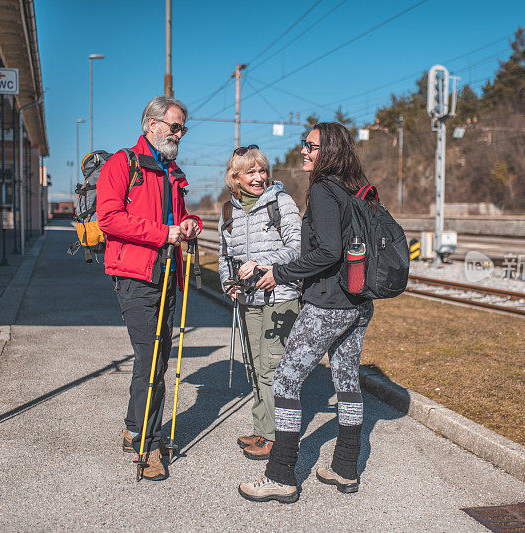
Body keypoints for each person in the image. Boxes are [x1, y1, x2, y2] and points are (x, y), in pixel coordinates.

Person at [238, 122, 375, 503]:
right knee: (347, 381)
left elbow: (328, 251)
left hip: (329, 302)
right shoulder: (354, 187)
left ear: (328, 150)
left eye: (310, 145)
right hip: (358, 302)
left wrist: (278, 272)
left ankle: (281, 474)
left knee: (285, 381)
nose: (303, 151)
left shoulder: (326, 191)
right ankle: (345, 469)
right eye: (304, 144)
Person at [96, 95, 202, 481]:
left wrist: (191, 224)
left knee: (155, 357)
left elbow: (179, 216)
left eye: (182, 129)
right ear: (150, 124)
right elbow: (108, 218)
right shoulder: (122, 163)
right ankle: (149, 446)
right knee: (153, 356)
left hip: (168, 274)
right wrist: (164, 234)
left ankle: (133, 426)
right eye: (174, 126)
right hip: (135, 275)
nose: (179, 134)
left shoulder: (171, 170)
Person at [218, 145, 302, 460]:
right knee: (254, 366)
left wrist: (263, 265)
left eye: (262, 170)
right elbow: (226, 258)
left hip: (281, 296)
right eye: (250, 172)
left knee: (272, 367)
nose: (258, 177)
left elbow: (297, 248)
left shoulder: (281, 202)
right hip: (249, 299)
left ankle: (275, 437)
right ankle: (261, 427)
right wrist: (228, 283)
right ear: (235, 177)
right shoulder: (228, 211)